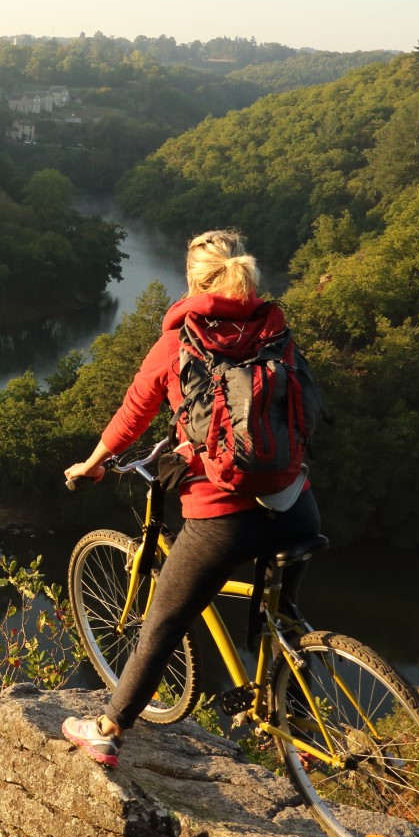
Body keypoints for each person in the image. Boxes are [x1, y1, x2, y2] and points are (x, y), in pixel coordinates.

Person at [59, 229, 320, 766]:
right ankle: (300, 722)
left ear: (194, 280)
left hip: (223, 514)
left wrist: (93, 463)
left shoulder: (181, 340)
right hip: (295, 502)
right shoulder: (276, 329)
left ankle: (107, 729)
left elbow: (135, 411)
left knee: (162, 623)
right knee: (287, 618)